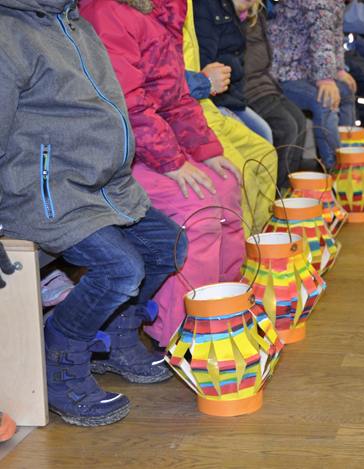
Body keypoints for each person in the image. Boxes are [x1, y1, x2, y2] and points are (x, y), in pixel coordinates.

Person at [0, 0, 187, 426]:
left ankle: (116, 339)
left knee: (168, 245)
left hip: (102, 183)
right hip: (43, 193)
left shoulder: (74, 21)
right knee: (121, 270)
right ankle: (60, 362)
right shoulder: (8, 32)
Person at [80, 0, 246, 351]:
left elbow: (176, 97)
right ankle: (180, 332)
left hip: (151, 146)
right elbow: (127, 103)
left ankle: (223, 307)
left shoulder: (159, 14)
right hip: (115, 154)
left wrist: (205, 149)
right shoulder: (107, 11)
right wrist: (172, 161)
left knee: (228, 185)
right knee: (196, 206)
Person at [183, 0, 278, 231]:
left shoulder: (187, 6)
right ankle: (244, 247)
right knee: (242, 176)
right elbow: (160, 81)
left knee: (266, 154)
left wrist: (205, 81)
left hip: (207, 104)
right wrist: (203, 81)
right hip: (188, 110)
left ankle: (261, 235)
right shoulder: (196, 7)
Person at [268, 0, 358, 170]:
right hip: (284, 71)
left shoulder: (337, 3)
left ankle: (350, 154)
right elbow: (321, 37)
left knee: (346, 91)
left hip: (306, 69)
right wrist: (326, 78)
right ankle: (336, 167)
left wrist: (339, 70)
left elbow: (335, 35)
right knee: (325, 101)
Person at [193, 0, 274, 143]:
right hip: (208, 98)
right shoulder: (208, 6)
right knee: (254, 138)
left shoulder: (242, 15)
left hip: (230, 95)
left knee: (264, 132)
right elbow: (201, 64)